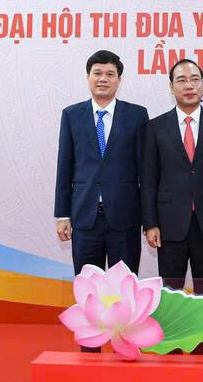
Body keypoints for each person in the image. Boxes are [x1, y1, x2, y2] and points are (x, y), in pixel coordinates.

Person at [54, 50, 148, 352]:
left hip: (125, 217)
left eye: (110, 74)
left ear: (119, 80)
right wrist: (62, 214)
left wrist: (149, 219)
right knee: (89, 292)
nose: (103, 79)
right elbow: (65, 166)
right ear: (88, 77)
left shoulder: (137, 115)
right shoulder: (72, 115)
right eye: (97, 73)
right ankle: (90, 350)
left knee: (125, 292)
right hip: (84, 217)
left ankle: (125, 347)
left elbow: (145, 171)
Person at [141, 59, 203, 300]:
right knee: (170, 296)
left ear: (202, 84)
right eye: (181, 80)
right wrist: (150, 223)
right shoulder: (155, 127)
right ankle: (171, 328)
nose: (189, 85)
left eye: (195, 79)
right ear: (171, 87)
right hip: (168, 224)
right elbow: (148, 179)